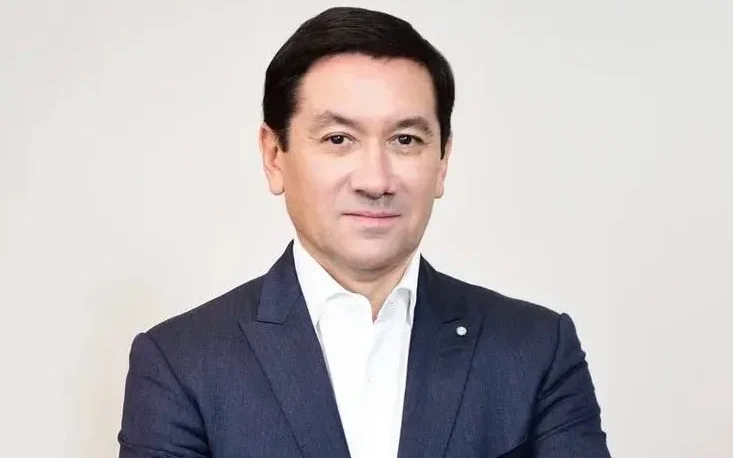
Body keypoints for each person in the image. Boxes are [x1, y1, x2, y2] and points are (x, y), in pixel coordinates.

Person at [118, 6, 611, 458]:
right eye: (339, 139)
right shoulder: (181, 363)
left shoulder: (536, 350)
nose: (376, 181)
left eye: (406, 140)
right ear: (274, 156)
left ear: (443, 161)